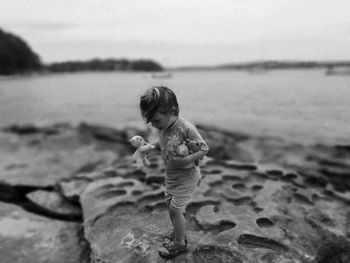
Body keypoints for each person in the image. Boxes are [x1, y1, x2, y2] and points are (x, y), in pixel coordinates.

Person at [139, 86, 209, 259]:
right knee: (172, 207)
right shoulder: (164, 127)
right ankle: (179, 231)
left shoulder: (185, 127)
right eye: (150, 121)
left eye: (156, 120)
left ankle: (179, 244)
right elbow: (163, 141)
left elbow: (204, 148)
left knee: (175, 210)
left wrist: (186, 160)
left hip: (187, 177)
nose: (153, 125)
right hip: (172, 176)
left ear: (171, 111)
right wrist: (151, 146)